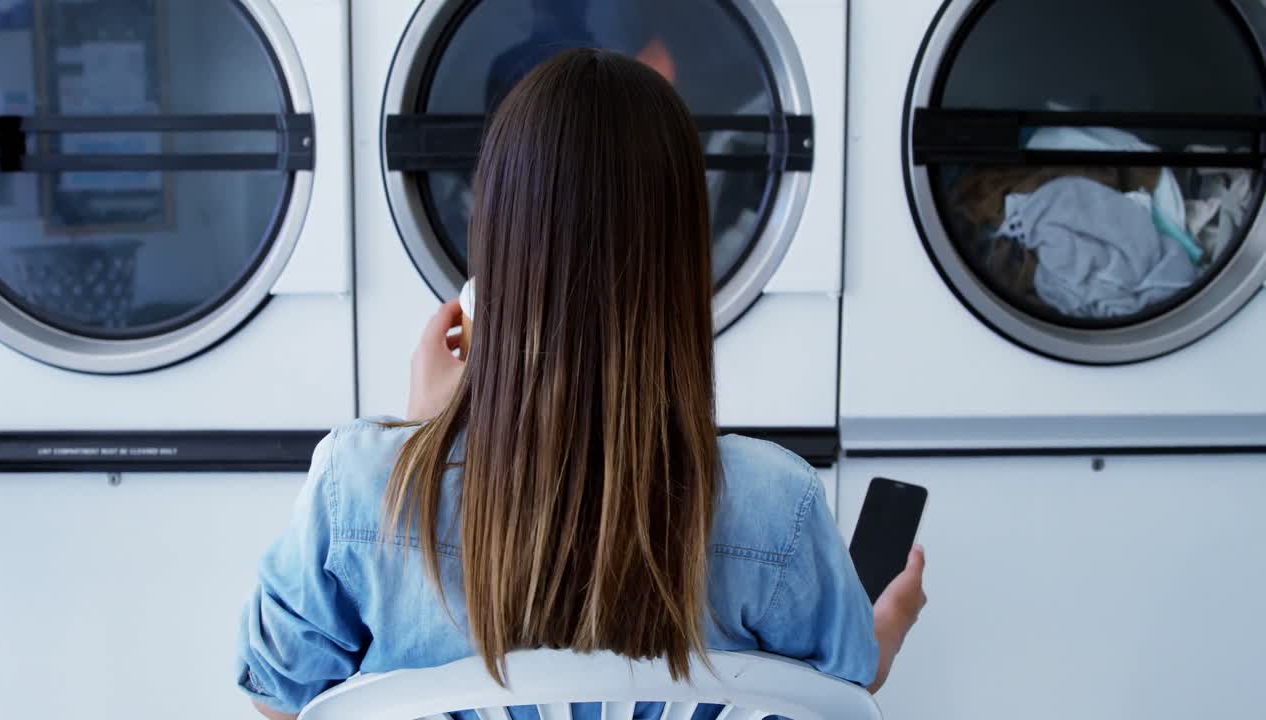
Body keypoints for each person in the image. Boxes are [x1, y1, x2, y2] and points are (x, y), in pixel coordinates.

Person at [235, 48, 926, 720]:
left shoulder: (360, 488)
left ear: (495, 244)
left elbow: (277, 697)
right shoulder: (776, 505)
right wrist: (890, 620)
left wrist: (422, 438)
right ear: (686, 261)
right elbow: (845, 690)